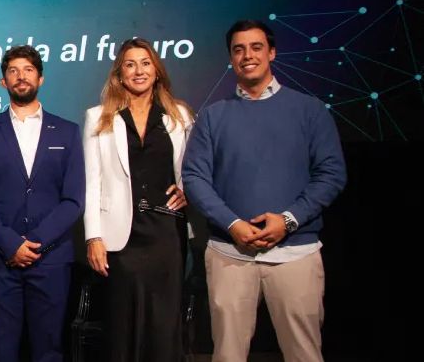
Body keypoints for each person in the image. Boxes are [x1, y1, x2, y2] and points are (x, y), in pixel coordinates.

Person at [183, 20, 346, 362]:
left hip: (296, 253)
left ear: (271, 52)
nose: (247, 56)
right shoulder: (213, 116)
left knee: (304, 353)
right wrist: (233, 224)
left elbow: (331, 174)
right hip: (229, 253)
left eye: (256, 47)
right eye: (238, 50)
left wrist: (288, 220)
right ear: (231, 58)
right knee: (227, 355)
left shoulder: (310, 110)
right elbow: (195, 178)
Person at [0, 45, 85, 362]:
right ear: (3, 81)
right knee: (2, 349)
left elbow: (73, 199)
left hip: (51, 258)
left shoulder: (68, 132)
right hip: (0, 258)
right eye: (13, 71)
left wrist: (35, 242)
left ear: (41, 78)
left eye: (28, 70)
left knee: (49, 349)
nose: (21, 76)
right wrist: (10, 244)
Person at [82, 37, 193, 361]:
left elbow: (194, 169)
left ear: (156, 71)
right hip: (121, 238)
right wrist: (93, 237)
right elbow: (91, 182)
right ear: (120, 74)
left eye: (145, 63)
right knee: (123, 327)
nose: (138, 71)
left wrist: (188, 190)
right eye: (130, 65)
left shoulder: (180, 116)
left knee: (164, 326)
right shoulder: (98, 117)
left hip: (167, 234)